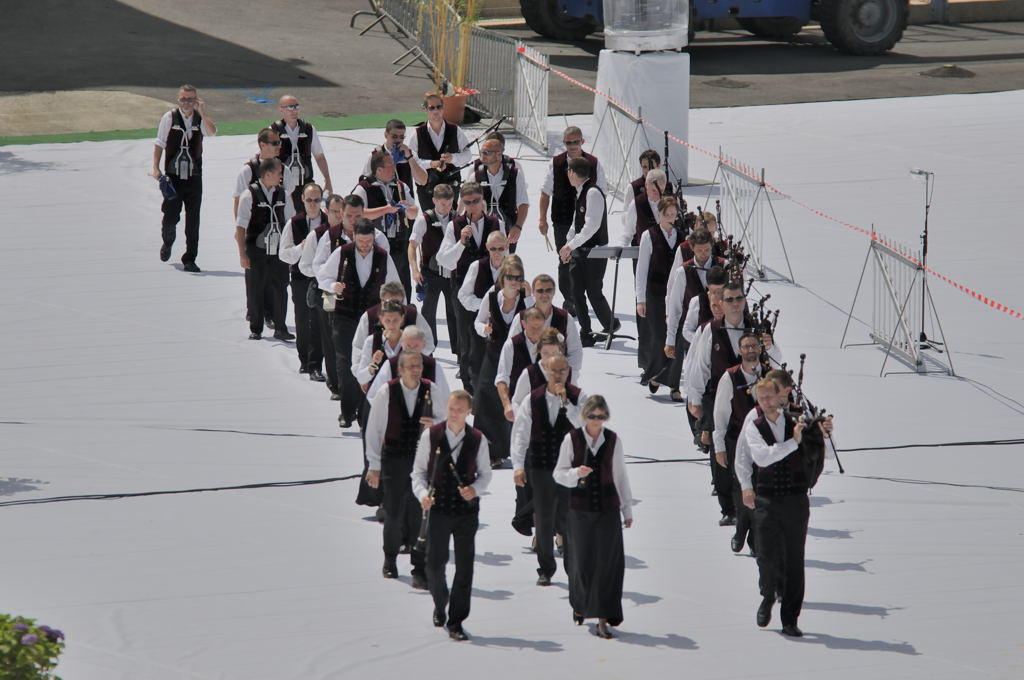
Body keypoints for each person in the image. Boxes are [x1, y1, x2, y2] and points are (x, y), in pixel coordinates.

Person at [741, 375, 834, 637]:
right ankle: (768, 594)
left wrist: (823, 433)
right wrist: (793, 441)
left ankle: (790, 618)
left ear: (781, 395)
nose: (766, 402)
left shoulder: (798, 420)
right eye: (761, 398)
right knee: (767, 555)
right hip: (767, 500)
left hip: (795, 500)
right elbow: (761, 457)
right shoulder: (754, 425)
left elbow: (821, 453)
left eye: (770, 396)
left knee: (795, 560)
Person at [686, 278, 782, 524]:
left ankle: (753, 503)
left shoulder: (756, 328)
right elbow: (700, 367)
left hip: (752, 398)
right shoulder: (710, 329)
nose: (735, 304)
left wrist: (770, 347)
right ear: (720, 302)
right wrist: (694, 398)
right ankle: (729, 508)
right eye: (729, 299)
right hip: (717, 396)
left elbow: (775, 362)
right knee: (723, 450)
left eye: (739, 298)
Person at [412, 390, 492, 641]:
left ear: (469, 412)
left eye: (460, 410)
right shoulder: (431, 435)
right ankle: (440, 601)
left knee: (465, 567)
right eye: (451, 408)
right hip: (438, 508)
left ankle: (457, 620)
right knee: (434, 564)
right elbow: (418, 473)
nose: (454, 413)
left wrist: (474, 490)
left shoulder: (478, 439)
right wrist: (423, 494)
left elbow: (485, 475)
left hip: (465, 511)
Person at [554, 394, 633, 639]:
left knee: (608, 564)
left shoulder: (613, 440)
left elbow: (620, 475)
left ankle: (602, 618)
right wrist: (576, 473)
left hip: (607, 509)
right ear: (584, 416)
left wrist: (626, 509)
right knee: (581, 562)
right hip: (580, 509)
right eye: (592, 416)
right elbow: (559, 473)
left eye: (600, 416)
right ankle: (580, 605)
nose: (596, 421)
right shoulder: (572, 439)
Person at [365, 351, 445, 588]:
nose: (416, 370)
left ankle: (419, 568)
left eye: (418, 366)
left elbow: (445, 420)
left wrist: (435, 424)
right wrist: (374, 466)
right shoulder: (386, 391)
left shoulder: (431, 389)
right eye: (410, 366)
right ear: (400, 370)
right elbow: (374, 430)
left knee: (421, 513)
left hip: (422, 459)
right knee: (393, 513)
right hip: (394, 458)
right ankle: (390, 559)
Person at [510, 354, 585, 585]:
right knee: (543, 519)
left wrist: (568, 405)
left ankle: (573, 567)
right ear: (546, 372)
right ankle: (545, 567)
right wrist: (518, 467)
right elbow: (520, 434)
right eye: (554, 371)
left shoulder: (579, 397)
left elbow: (587, 426)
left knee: (569, 518)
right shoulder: (533, 399)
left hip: (569, 467)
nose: (558, 375)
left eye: (563, 371)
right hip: (541, 466)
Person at [317, 218, 399, 428]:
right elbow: (322, 277)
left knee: (371, 364)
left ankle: (365, 413)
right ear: (354, 237)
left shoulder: (383, 256)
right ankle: (346, 411)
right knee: (345, 365)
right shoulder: (342, 253)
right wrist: (333, 285)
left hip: (373, 318)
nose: (364, 245)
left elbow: (395, 286)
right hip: (344, 316)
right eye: (361, 241)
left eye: (368, 241)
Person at [436, 183, 502, 390]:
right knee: (466, 338)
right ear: (462, 203)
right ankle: (468, 387)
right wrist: (461, 242)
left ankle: (489, 383)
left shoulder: (496, 222)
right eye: (467, 202)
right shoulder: (454, 226)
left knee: (492, 334)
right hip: (463, 288)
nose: (472, 206)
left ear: (482, 200)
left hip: (491, 287)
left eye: (475, 201)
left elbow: (504, 254)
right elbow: (444, 261)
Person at [539, 126, 606, 315]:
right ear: (564, 143)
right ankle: (570, 299)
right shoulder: (556, 163)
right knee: (565, 260)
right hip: (561, 220)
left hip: (587, 222)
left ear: (582, 142)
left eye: (576, 142)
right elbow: (545, 192)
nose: (572, 146)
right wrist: (542, 218)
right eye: (568, 142)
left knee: (585, 262)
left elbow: (603, 192)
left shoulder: (594, 163)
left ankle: (585, 298)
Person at [474, 256, 533, 466]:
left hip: (518, 358)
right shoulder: (491, 297)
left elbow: (537, 322)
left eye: (519, 278)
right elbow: (478, 322)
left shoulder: (527, 298)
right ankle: (490, 452)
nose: (515, 282)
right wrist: (485, 330)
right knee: (487, 398)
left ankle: (519, 448)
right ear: (503, 278)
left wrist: (532, 297)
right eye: (510, 277)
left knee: (516, 399)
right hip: (493, 353)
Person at [151, 84, 216, 272]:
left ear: (196, 100)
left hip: (194, 177)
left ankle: (190, 258)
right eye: (183, 99)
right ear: (178, 100)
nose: (187, 103)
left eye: (190, 99)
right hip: (173, 178)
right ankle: (168, 241)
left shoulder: (199, 118)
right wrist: (155, 167)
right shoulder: (169, 117)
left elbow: (212, 132)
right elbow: (159, 143)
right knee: (170, 217)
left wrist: (203, 113)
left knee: (193, 220)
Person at [712, 332, 765, 555]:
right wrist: (719, 446)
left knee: (761, 489)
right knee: (742, 487)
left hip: (765, 441)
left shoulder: (770, 374)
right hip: (737, 439)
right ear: (740, 351)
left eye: (754, 346)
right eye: (746, 347)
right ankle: (742, 528)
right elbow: (720, 413)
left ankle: (753, 537)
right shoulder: (730, 377)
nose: (751, 350)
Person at [234, 158, 294, 341]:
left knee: (281, 287)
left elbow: (291, 221)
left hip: (278, 250)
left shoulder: (283, 194)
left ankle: (280, 327)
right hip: (256, 249)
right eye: (278, 173)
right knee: (256, 287)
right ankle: (256, 327)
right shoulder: (249, 195)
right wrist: (243, 254)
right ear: (268, 174)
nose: (281, 176)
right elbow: (240, 227)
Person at [559, 157, 616, 347]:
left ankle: (610, 323)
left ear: (573, 173)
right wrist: (568, 244)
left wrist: (570, 245)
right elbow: (577, 224)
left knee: (593, 291)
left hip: (595, 250)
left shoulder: (593, 193)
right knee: (576, 292)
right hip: (579, 250)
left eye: (569, 171)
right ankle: (586, 331)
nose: (567, 174)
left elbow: (592, 226)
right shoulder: (580, 192)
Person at [354, 150, 419, 300]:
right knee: (377, 285)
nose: (394, 169)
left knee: (402, 285)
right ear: (379, 170)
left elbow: (415, 212)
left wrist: (407, 209)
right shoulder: (363, 187)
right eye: (390, 165)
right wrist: (385, 210)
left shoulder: (400, 186)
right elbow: (357, 213)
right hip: (375, 245)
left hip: (399, 245)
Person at [636, 196, 684, 394]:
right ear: (660, 214)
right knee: (659, 337)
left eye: (673, 214)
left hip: (676, 294)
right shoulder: (650, 235)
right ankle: (655, 374)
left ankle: (674, 385)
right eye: (667, 214)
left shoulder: (681, 236)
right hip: (655, 294)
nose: (670, 218)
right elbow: (641, 269)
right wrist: (641, 299)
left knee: (677, 339)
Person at [280, 182, 327, 378]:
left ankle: (316, 364)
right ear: (302, 200)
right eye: (309, 200)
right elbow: (283, 254)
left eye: (317, 200)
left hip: (322, 279)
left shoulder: (328, 221)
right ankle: (304, 361)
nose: (313, 204)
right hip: (300, 279)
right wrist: (302, 248)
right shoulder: (294, 223)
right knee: (302, 319)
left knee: (320, 322)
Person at [409, 184, 459, 358]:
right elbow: (412, 245)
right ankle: (428, 351)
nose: (446, 208)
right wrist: (415, 270)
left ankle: (460, 354)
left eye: (450, 203)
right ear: (434, 201)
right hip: (430, 273)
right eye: (443, 204)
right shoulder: (425, 220)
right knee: (428, 313)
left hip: (452, 274)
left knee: (455, 313)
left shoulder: (457, 218)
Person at [508, 273, 583, 377]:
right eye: (540, 291)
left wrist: (569, 376)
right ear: (533, 292)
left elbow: (575, 351)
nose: (544, 294)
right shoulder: (521, 318)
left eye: (548, 290)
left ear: (554, 292)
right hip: (526, 379)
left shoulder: (565, 318)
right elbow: (510, 350)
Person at [408, 93, 471, 211]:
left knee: (451, 224)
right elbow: (411, 162)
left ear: (443, 108)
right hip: (427, 189)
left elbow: (468, 155)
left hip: (451, 186)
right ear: (426, 110)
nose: (435, 111)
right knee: (430, 225)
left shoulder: (456, 130)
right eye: (432, 107)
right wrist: (431, 164)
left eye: (439, 107)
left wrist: (453, 158)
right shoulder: (416, 134)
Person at [272, 95, 333, 213]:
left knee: (312, 215)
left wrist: (328, 180)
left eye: (296, 106)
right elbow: (267, 159)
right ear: (281, 109)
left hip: (306, 184)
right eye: (290, 107)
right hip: (283, 186)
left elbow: (319, 156)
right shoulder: (274, 130)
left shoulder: (309, 129)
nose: (294, 110)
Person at [468, 133, 528, 250]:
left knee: (506, 265)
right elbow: (467, 205)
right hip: (482, 229)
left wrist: (518, 227)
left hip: (508, 229)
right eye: (481, 152)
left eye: (487, 153)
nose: (482, 156)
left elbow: (523, 203)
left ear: (499, 154)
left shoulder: (515, 174)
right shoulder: (475, 176)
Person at [362, 118, 428, 191]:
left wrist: (410, 158)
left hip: (406, 200)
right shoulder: (374, 155)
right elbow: (364, 183)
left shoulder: (409, 154)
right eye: (394, 136)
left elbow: (423, 181)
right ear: (386, 134)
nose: (398, 140)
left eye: (401, 137)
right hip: (383, 200)